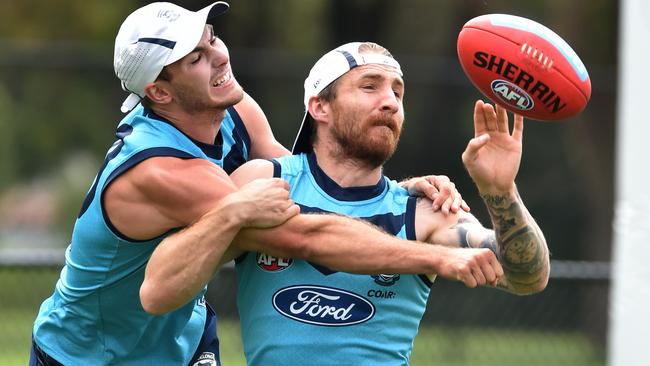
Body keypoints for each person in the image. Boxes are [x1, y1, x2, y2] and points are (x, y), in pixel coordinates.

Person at [30, 3, 497, 366]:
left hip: (184, 338)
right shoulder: (158, 171)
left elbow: (306, 181)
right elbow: (304, 232)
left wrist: (393, 191)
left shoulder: (233, 109)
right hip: (91, 352)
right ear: (159, 93)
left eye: (213, 40)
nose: (219, 57)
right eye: (196, 57)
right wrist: (440, 257)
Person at [226, 42, 551, 365]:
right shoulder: (263, 182)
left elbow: (528, 277)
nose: (391, 103)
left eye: (398, 93)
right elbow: (190, 246)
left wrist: (500, 191)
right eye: (370, 87)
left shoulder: (424, 211)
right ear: (320, 107)